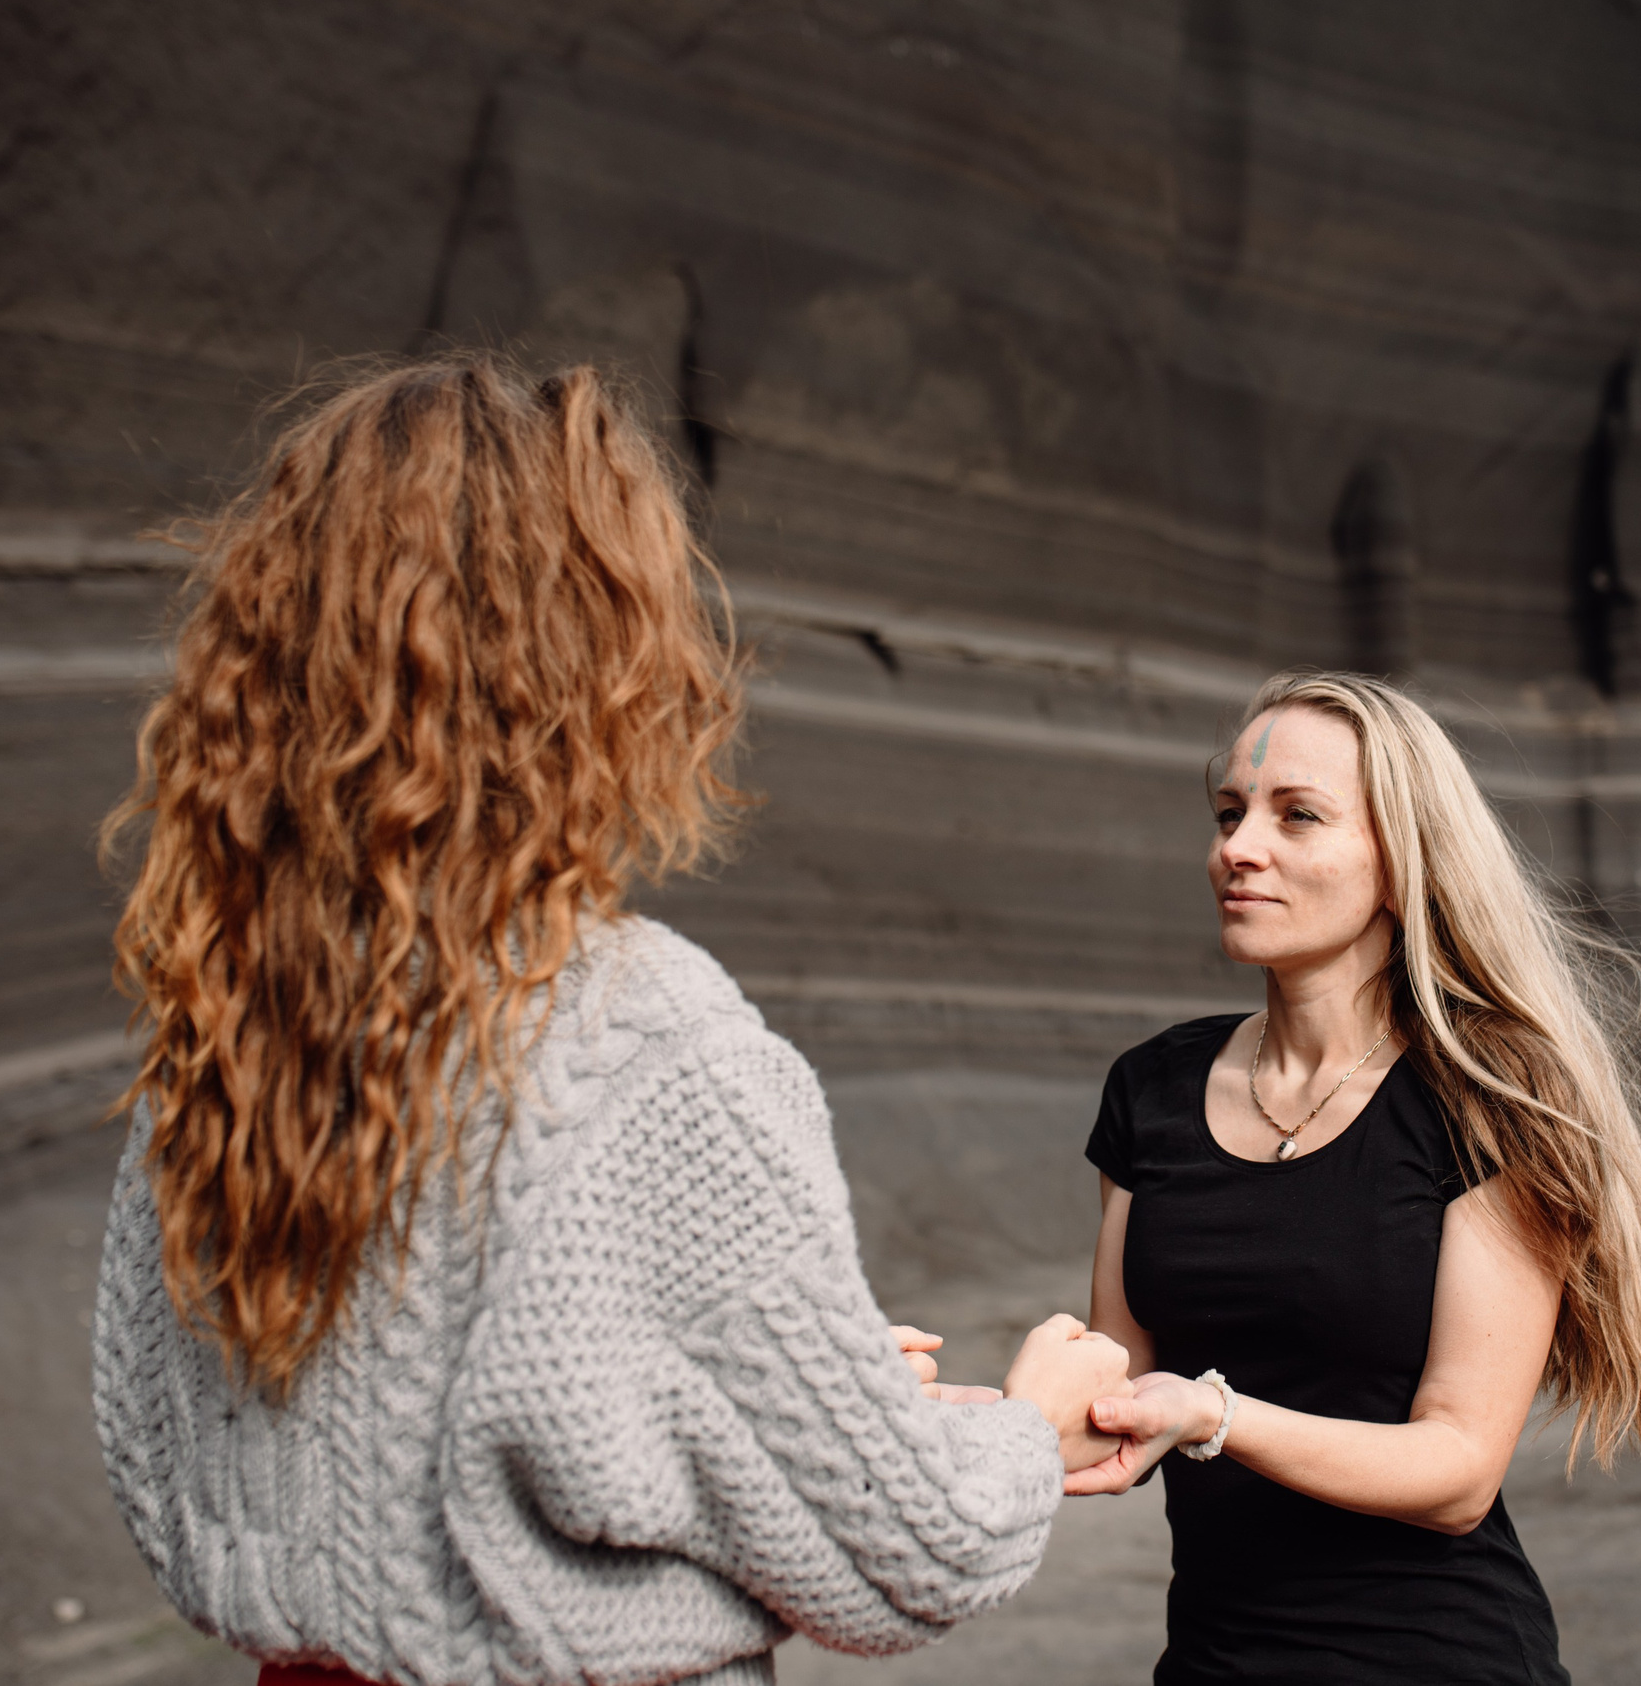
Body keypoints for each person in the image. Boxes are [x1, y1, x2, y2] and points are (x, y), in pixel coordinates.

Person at [89, 355, 1131, 1686]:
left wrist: (754, 1390)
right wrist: (1030, 1426)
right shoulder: (634, 1039)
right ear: (594, 657)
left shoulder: (227, 1034)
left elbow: (255, 1444)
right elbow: (909, 1551)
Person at [1068, 671, 1641, 1685]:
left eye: (1295, 815)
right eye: (1229, 812)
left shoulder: (1491, 1096)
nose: (1238, 847)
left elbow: (1457, 1471)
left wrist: (1213, 1415)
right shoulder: (1154, 1089)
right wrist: (920, 1413)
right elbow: (1114, 1386)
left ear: (1401, 861)